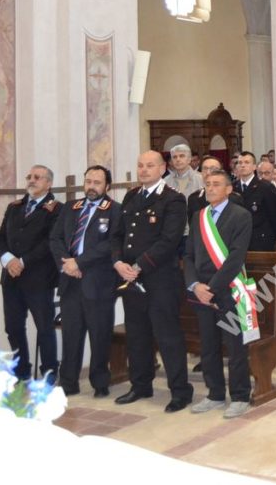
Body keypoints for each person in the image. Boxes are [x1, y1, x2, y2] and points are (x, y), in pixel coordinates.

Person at [114, 151, 194, 413]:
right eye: (140, 165)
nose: (144, 170)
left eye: (150, 165)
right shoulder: (131, 196)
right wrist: (119, 263)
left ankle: (180, 391)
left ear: (163, 169)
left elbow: (169, 241)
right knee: (137, 334)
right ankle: (140, 384)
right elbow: (118, 235)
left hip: (160, 279)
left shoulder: (173, 199)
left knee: (167, 335)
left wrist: (138, 266)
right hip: (130, 279)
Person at [184, 170, 254, 419]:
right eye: (208, 184)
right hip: (201, 291)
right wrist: (194, 285)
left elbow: (236, 257)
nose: (211, 188)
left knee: (235, 346)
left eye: (216, 185)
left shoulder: (241, 215)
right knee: (209, 345)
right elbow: (189, 255)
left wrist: (212, 288)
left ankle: (240, 395)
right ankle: (214, 393)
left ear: (228, 190)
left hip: (229, 289)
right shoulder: (198, 216)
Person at [49, 165, 122, 397]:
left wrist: (79, 263)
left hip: (98, 282)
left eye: (97, 182)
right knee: (71, 334)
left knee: (100, 335)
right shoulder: (72, 207)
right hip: (70, 281)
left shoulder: (115, 210)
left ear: (107, 186)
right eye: (88, 181)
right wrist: (67, 264)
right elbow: (55, 238)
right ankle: (68, 382)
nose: (91, 186)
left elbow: (110, 244)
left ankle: (100, 382)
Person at [0, 165, 61, 380]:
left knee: (44, 328)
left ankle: (49, 372)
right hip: (11, 278)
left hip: (38, 279)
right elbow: (0, 237)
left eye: (37, 177)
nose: (32, 180)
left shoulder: (56, 209)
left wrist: (22, 261)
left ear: (49, 183)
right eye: (29, 176)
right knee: (12, 328)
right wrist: (8, 259)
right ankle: (21, 371)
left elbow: (49, 242)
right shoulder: (15, 206)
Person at [234, 151, 276, 250]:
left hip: (260, 241)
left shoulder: (265, 187)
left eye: (247, 162)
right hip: (237, 241)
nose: (243, 165)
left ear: (254, 167)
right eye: (240, 163)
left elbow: (275, 217)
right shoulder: (232, 187)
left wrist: (269, 238)